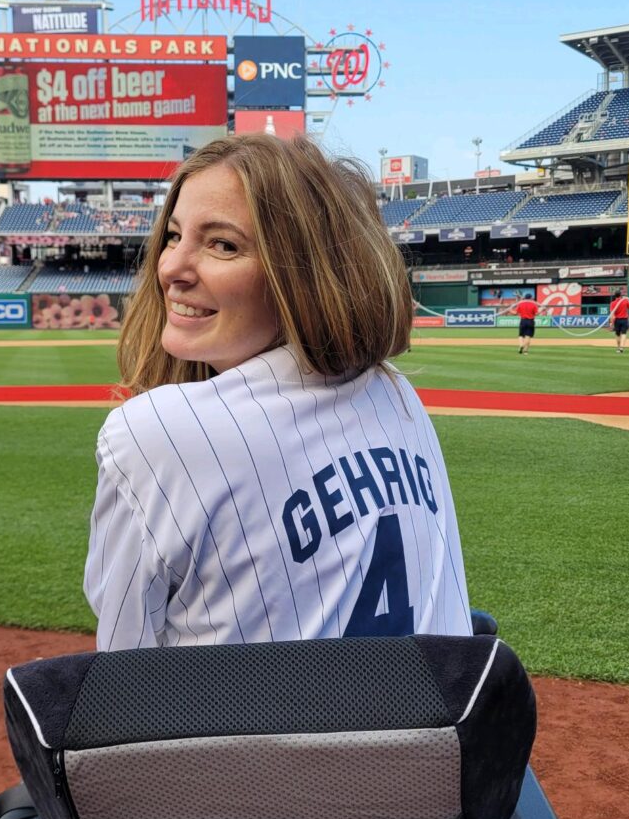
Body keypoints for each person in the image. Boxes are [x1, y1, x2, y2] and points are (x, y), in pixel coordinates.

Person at [83, 134, 471, 651]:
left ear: (304, 277)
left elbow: (126, 663)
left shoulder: (155, 431)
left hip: (252, 733)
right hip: (433, 726)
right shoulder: (397, 396)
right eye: (174, 236)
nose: (172, 267)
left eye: (223, 245)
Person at [609, 287, 629, 352]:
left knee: (617, 334)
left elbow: (612, 314)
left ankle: (618, 347)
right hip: (624, 320)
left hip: (617, 320)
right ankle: (622, 347)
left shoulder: (612, 303)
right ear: (620, 295)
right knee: (624, 333)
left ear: (615, 295)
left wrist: (611, 323)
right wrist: (628, 300)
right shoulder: (625, 301)